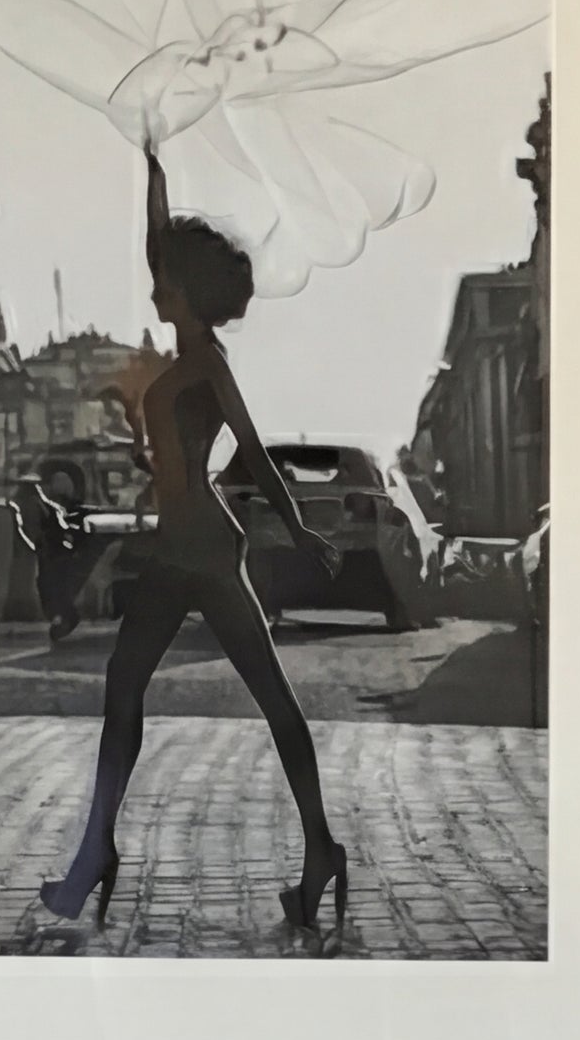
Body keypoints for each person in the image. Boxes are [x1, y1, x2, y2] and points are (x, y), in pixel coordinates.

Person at [35, 149, 350, 940]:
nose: (151, 282)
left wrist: (299, 528)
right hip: (178, 552)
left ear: (185, 291)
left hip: (204, 552)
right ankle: (96, 850)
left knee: (270, 698)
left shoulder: (208, 364)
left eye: (164, 278)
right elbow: (154, 242)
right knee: (125, 687)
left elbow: (253, 451)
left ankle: (319, 849)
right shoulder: (181, 357)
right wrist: (153, 170)